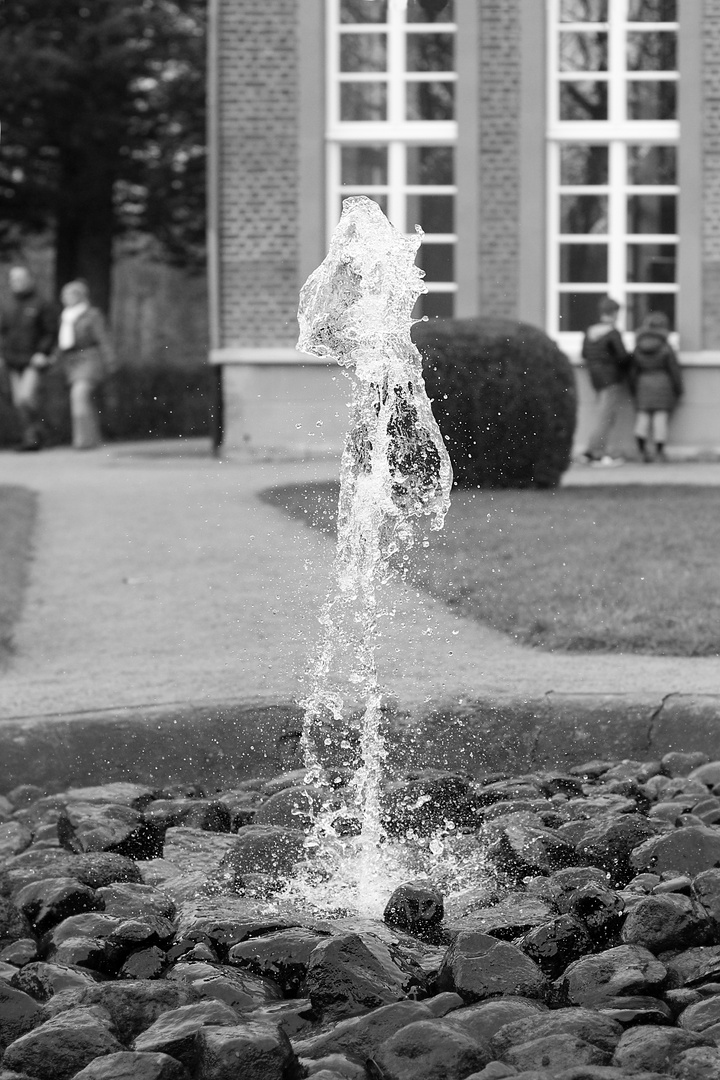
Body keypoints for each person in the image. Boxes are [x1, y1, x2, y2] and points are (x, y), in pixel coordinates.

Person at [0, 266, 57, 450]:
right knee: (19, 402)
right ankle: (34, 436)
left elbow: (50, 332)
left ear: (30, 279)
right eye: (14, 279)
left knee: (25, 398)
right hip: (12, 360)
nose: (17, 282)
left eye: (20, 278)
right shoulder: (7, 304)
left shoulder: (41, 303)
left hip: (33, 360)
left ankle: (37, 433)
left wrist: (42, 352)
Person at [55, 279, 116, 450]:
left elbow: (103, 338)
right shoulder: (65, 316)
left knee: (79, 395)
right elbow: (62, 343)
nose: (64, 298)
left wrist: (110, 361)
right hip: (71, 361)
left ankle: (81, 441)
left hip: (90, 358)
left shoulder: (92, 315)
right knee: (83, 400)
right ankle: (92, 438)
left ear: (79, 296)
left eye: (68, 294)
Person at [579, 296, 630, 466]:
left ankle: (592, 452)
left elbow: (585, 354)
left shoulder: (590, 331)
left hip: (595, 378)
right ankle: (596, 453)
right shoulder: (613, 333)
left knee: (603, 414)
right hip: (610, 379)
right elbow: (622, 356)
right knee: (606, 417)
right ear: (614, 313)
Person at [629, 311, 683, 463]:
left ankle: (642, 451)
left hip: (643, 384)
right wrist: (679, 389)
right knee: (660, 418)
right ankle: (659, 453)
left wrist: (633, 388)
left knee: (642, 417)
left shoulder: (638, 346)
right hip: (663, 384)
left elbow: (633, 371)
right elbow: (674, 370)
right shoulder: (666, 347)